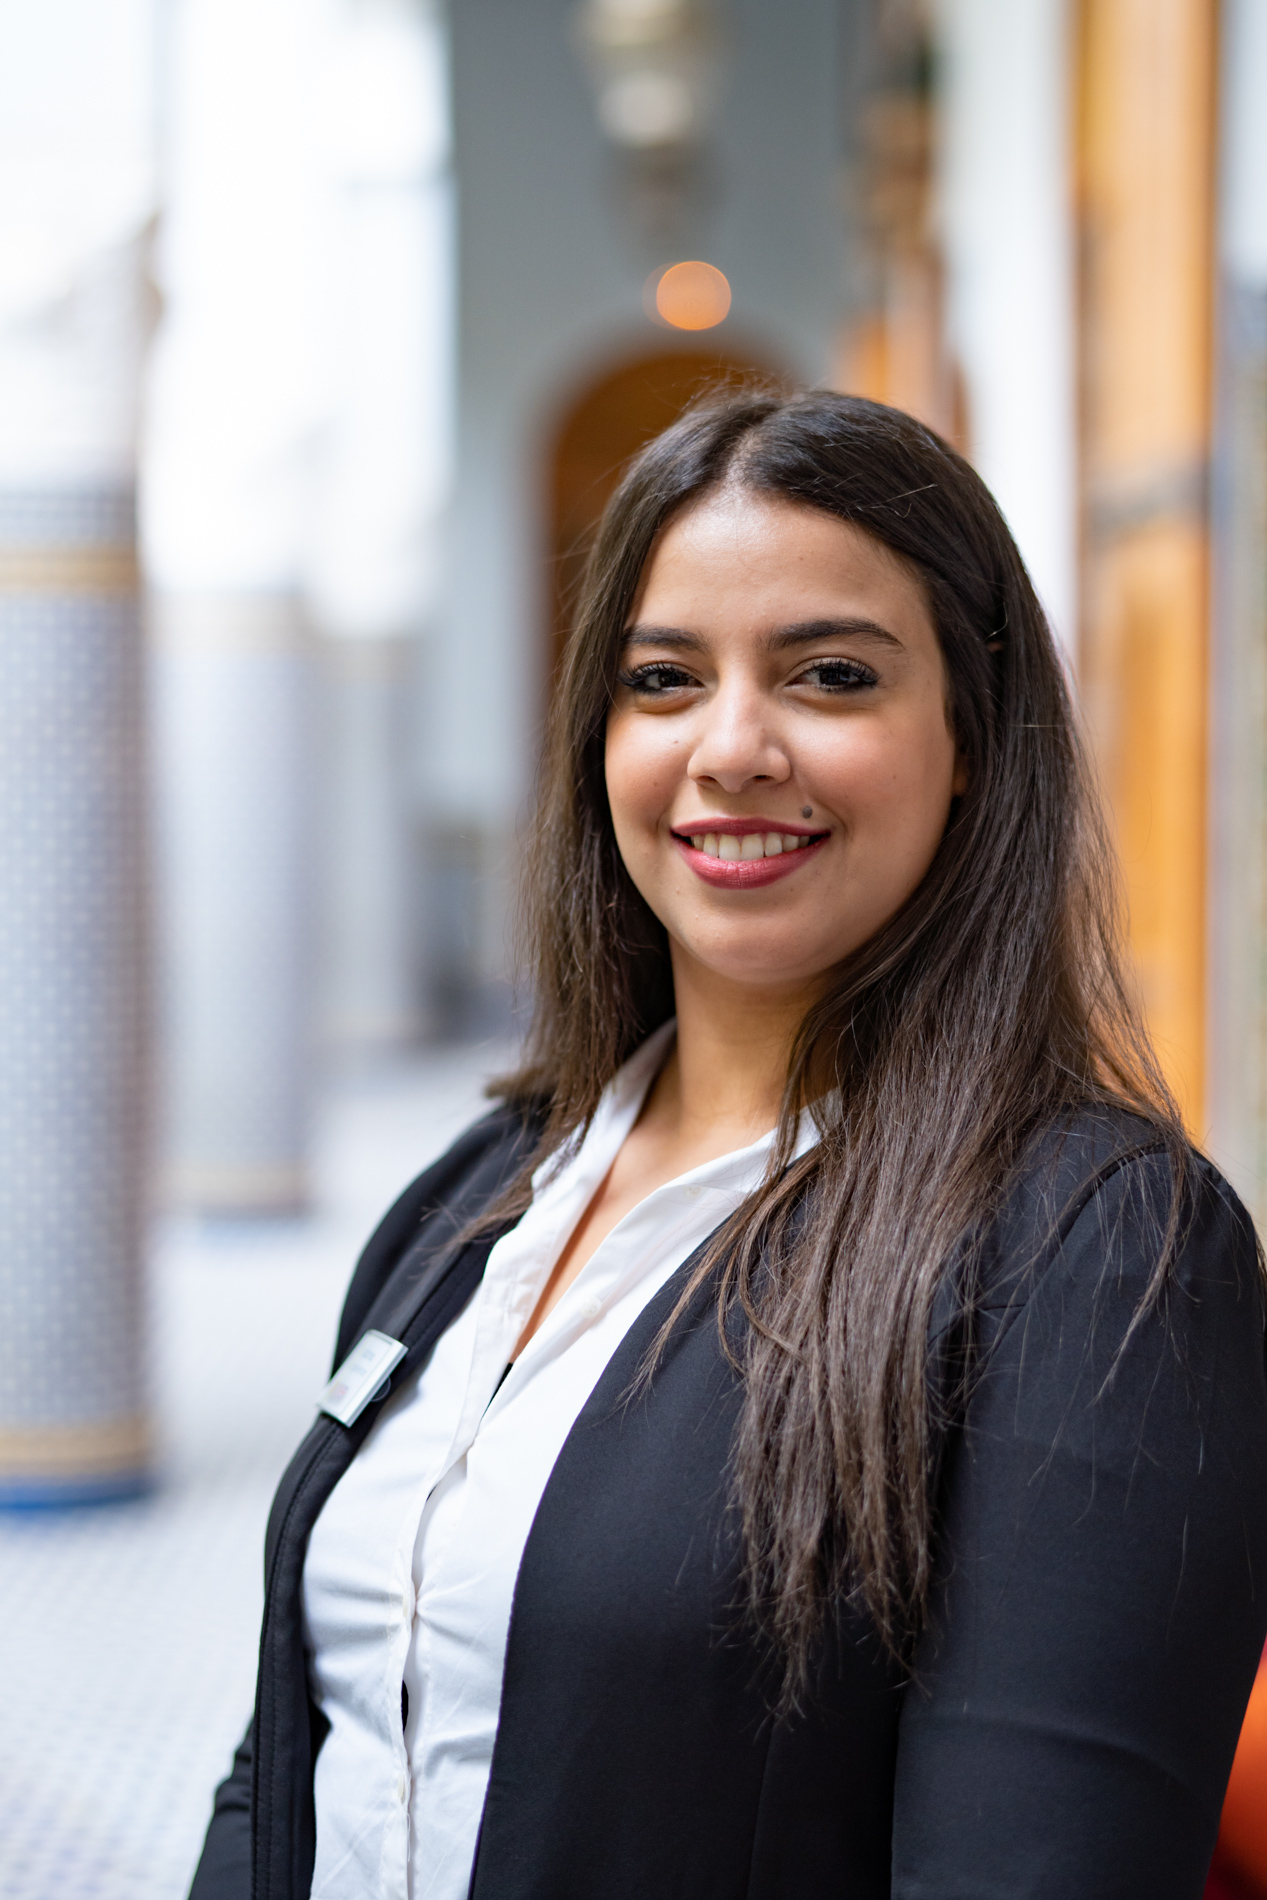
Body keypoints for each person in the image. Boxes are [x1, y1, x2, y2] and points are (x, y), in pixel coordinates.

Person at [190, 389, 1267, 1900]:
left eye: (830, 675)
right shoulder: (480, 1192)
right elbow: (298, 1752)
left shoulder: (1099, 1253)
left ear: (970, 735)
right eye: (664, 679)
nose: (733, 747)